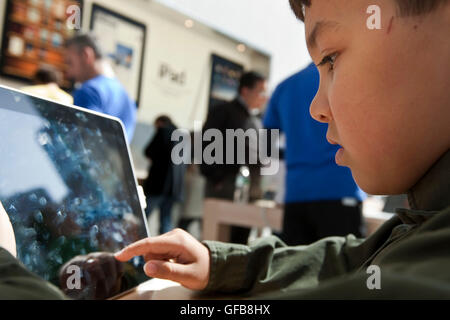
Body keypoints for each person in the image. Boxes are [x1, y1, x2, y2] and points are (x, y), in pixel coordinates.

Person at [1, 0, 449, 300]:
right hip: (328, 192)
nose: (317, 106)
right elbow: (354, 261)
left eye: (331, 58)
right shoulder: (419, 229)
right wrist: (220, 263)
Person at [264, 63, 366, 245]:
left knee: (295, 268)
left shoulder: (285, 87)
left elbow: (267, 143)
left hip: (296, 193)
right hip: (339, 189)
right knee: (343, 270)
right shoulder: (348, 79)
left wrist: (293, 158)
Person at [201, 71, 268, 244]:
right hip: (225, 188)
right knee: (218, 242)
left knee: (240, 243)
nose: (264, 97)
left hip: (250, 190)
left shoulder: (257, 119)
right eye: (260, 91)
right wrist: (217, 178)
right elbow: (206, 145)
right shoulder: (224, 111)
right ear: (245, 91)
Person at [65, 34, 137, 141]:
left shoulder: (88, 91)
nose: (68, 74)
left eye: (70, 63)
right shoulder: (127, 98)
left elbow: (79, 142)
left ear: (86, 55)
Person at [143, 116, 185, 235]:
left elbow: (148, 151)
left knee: (143, 217)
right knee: (166, 221)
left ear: (161, 123)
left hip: (158, 184)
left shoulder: (163, 132)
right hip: (174, 188)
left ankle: (137, 249)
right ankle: (164, 251)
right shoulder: (183, 137)